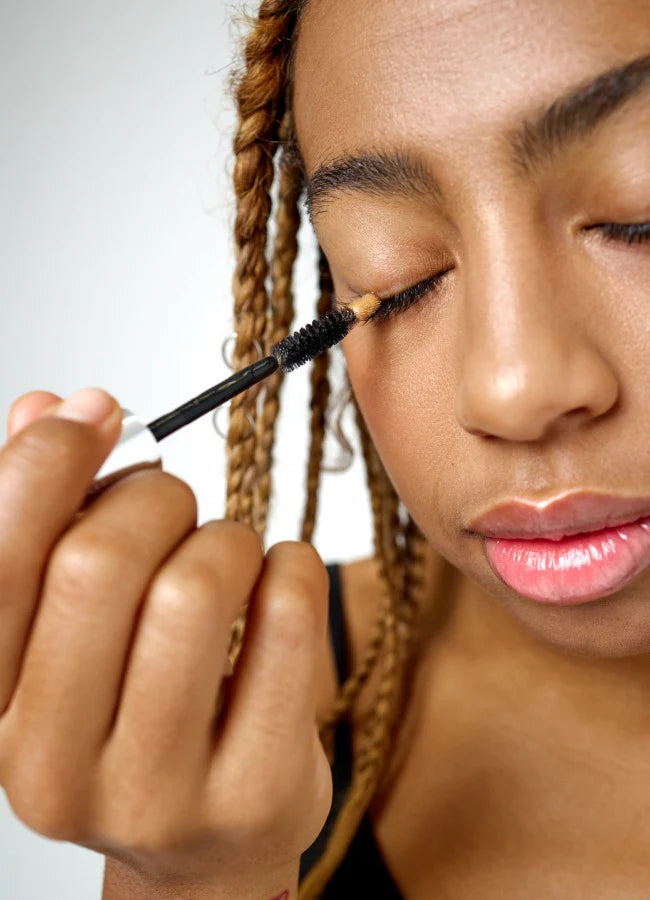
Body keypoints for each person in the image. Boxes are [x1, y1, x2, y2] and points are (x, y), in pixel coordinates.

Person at [1, 0, 649, 897]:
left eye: (638, 219)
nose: (512, 389)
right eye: (403, 277)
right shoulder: (246, 732)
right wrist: (193, 885)